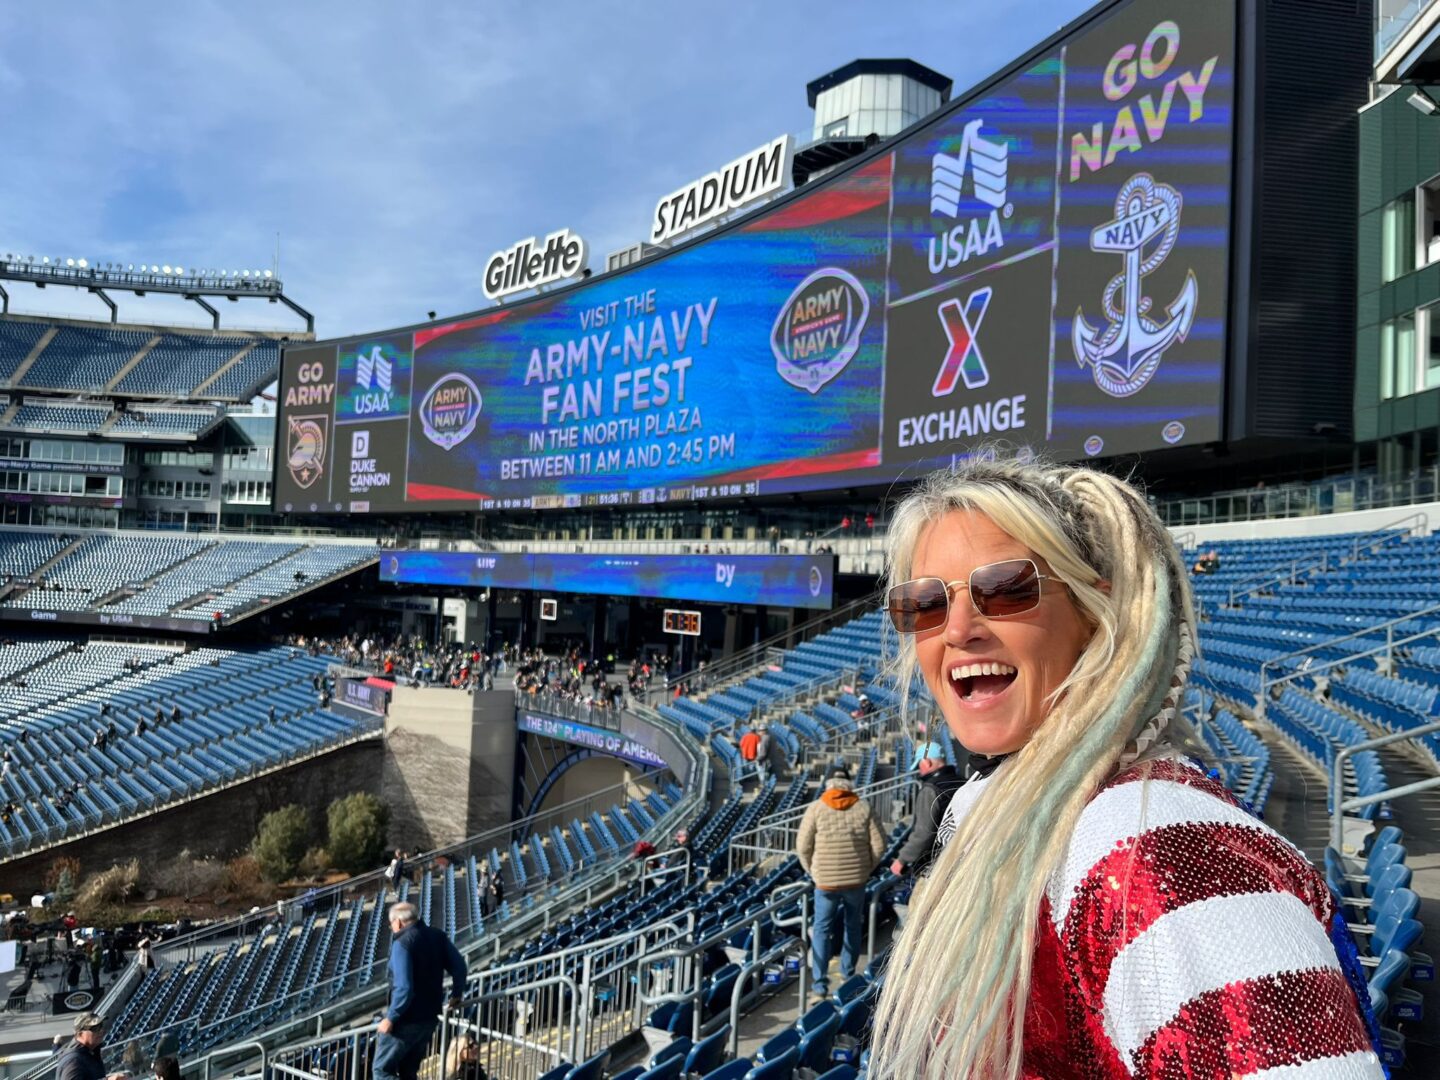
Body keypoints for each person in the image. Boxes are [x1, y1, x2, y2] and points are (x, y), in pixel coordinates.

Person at [868, 458, 1381, 1077]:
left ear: (1094, 612)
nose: (956, 630)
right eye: (923, 604)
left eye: (1004, 589)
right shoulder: (1013, 808)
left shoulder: (1161, 851)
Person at [795, 770, 885, 999]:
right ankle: (847, 975)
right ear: (849, 784)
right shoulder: (863, 807)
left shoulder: (816, 808)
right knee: (852, 926)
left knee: (822, 931)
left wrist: (813, 871)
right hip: (856, 880)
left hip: (825, 882)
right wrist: (866, 869)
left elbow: (803, 846)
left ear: (829, 784)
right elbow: (880, 844)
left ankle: (819, 985)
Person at [374, 901, 467, 1080]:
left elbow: (404, 988)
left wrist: (391, 1018)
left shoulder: (402, 944)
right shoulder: (437, 935)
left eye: (390, 923)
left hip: (406, 1020)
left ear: (398, 922)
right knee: (409, 1072)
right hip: (429, 1017)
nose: (391, 927)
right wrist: (457, 994)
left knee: (381, 1071)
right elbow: (460, 968)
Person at [889, 741, 963, 883]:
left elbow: (923, 833)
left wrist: (902, 859)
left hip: (935, 867)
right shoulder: (963, 782)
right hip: (960, 858)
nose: (919, 770)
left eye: (919, 765)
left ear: (927, 762)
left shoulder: (930, 789)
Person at [56, 1013, 124, 1080]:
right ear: (80, 1034)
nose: (101, 1031)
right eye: (94, 1028)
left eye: (101, 1026)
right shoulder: (74, 1060)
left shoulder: (90, 1052)